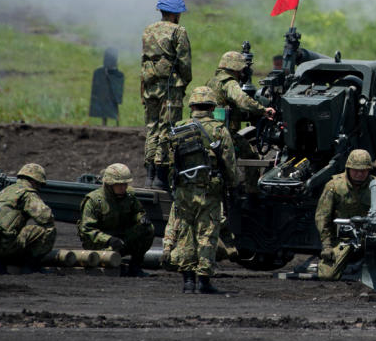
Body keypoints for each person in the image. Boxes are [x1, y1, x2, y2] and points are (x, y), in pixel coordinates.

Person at [167, 86, 236, 294]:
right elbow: (229, 163)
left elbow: (170, 160)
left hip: (183, 190)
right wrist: (233, 186)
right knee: (207, 233)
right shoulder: (219, 130)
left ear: (193, 106)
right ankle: (203, 281)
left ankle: (188, 282)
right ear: (211, 107)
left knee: (185, 233)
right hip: (209, 191)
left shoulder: (179, 127)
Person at [142, 0, 192, 190]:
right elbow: (184, 62)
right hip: (170, 88)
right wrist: (185, 81)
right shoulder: (178, 31)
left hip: (149, 86)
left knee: (151, 128)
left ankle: (149, 175)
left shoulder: (148, 30)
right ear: (175, 14)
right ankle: (161, 177)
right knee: (168, 129)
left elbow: (144, 60)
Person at [206, 51, 275, 188]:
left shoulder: (212, 81)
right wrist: (263, 110)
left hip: (207, 129)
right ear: (236, 67)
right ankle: (251, 194)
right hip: (225, 134)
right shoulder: (229, 83)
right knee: (251, 154)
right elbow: (242, 100)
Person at [76, 163, 155, 277]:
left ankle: (135, 267)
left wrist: (142, 218)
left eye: (125, 184)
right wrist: (109, 239)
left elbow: (138, 211)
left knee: (147, 229)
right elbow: (87, 230)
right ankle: (115, 264)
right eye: (119, 184)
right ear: (109, 184)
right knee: (111, 261)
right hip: (100, 244)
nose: (123, 187)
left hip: (121, 238)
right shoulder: (93, 200)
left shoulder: (128, 196)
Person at [314, 149, 376, 280]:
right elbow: (322, 217)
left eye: (364, 170)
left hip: (371, 240)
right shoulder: (334, 186)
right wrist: (326, 245)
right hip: (344, 240)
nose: (360, 174)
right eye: (356, 170)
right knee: (327, 275)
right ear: (348, 168)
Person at [0, 163, 56, 272]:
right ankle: (31, 266)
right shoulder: (27, 193)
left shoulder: (5, 191)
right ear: (33, 181)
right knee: (48, 229)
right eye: (39, 185)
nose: (39, 188)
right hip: (4, 245)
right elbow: (45, 217)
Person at [89, 47, 125, 125]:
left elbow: (118, 90)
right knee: (104, 109)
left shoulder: (118, 75)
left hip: (111, 99)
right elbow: (96, 91)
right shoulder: (98, 73)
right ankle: (105, 123)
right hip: (102, 98)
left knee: (112, 110)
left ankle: (114, 123)